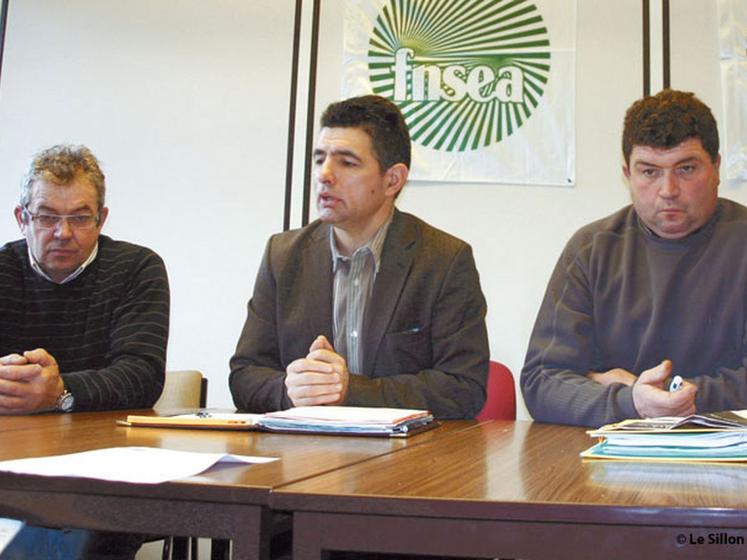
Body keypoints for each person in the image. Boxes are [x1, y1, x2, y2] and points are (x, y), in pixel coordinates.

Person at [230, 95, 489, 419]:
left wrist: (350, 391)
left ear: (392, 179)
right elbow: (244, 375)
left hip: (405, 460)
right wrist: (288, 389)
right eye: (319, 159)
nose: (325, 174)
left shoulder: (443, 260)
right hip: (303, 454)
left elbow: (463, 388)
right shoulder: (282, 256)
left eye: (347, 162)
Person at [521, 89, 747, 427]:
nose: (668, 190)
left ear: (716, 168)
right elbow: (541, 381)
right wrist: (631, 401)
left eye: (686, 169)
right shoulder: (592, 249)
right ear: (627, 174)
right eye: (649, 172)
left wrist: (677, 395)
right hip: (612, 456)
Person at [0, 144, 170, 559]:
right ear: (22, 218)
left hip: (105, 471)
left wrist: (59, 392)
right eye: (47, 217)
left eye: (79, 217)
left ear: (101, 219)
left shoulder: (137, 268)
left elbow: (142, 374)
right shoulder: (3, 270)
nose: (63, 232)